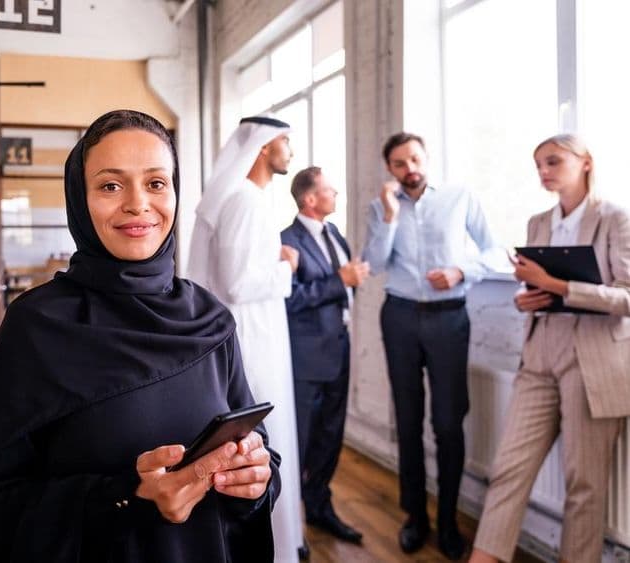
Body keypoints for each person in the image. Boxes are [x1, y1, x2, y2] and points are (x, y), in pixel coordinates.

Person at [0, 110, 280, 563]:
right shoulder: (37, 326)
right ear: (79, 198)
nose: (138, 204)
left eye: (155, 183)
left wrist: (257, 478)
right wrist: (126, 497)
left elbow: (259, 453)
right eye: (110, 185)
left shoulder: (210, 318)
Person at [470, 134, 630, 563]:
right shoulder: (538, 222)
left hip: (593, 360)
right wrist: (528, 299)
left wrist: (554, 285)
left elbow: (627, 296)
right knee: (508, 470)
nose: (543, 171)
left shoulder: (615, 218)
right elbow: (536, 290)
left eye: (553, 161)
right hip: (540, 354)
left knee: (584, 484)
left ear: (586, 163)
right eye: (538, 164)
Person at [362, 132, 498, 559]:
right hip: (400, 315)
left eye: (414, 159)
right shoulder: (380, 208)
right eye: (400, 164)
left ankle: (448, 522)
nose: (410, 169)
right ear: (391, 169)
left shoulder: (459, 197)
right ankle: (415, 517)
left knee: (447, 422)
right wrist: (387, 214)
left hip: (448, 318)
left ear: (426, 158)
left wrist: (461, 270)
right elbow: (376, 264)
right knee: (407, 418)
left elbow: (495, 251)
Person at [188, 115, 307, 561]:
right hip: (253, 342)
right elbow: (237, 283)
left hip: (259, 333)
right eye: (285, 141)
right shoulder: (244, 200)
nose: (290, 152)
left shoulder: (245, 199)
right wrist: (287, 267)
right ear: (262, 146)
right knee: (263, 441)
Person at [280, 166, 368, 544]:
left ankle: (319, 508)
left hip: (340, 349)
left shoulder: (335, 234)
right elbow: (289, 299)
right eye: (330, 190)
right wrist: (339, 282)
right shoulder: (286, 240)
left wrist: (348, 284)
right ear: (310, 198)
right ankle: (288, 529)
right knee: (300, 439)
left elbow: (345, 289)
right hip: (306, 358)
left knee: (331, 437)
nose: (337, 195)